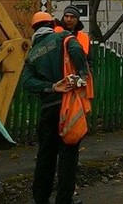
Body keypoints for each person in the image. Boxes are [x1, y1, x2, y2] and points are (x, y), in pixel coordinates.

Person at [21, 11, 89, 204]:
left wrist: (50, 87)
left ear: (34, 28)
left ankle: (41, 198)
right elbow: (76, 50)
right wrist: (83, 74)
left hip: (48, 109)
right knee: (68, 156)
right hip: (68, 107)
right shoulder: (63, 37)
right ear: (52, 23)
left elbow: (27, 82)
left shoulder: (32, 54)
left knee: (46, 155)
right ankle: (64, 200)